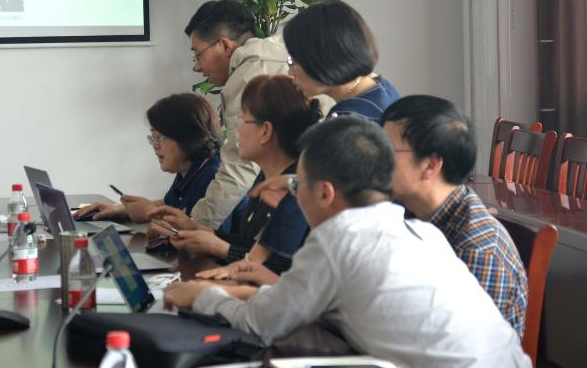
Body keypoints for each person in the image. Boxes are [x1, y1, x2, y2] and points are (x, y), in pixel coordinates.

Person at [164, 116, 531, 368]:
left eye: (297, 185)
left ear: (324, 193)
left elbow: (261, 324)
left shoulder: (336, 241)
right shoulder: (420, 232)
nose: (292, 194)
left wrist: (202, 297)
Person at [382, 95, 529, 335]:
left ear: (430, 165)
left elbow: (472, 345)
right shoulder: (414, 216)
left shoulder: (477, 250)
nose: (375, 158)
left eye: (387, 149)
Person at [149, 75, 319, 276]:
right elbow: (249, 245)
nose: (236, 128)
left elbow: (282, 271)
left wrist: (221, 248)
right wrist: (197, 229)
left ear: (265, 132)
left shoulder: (291, 188)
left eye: (242, 120)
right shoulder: (264, 178)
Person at [182, 0, 291, 230]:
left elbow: (239, 166)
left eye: (198, 55)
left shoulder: (247, 77)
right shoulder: (273, 52)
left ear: (224, 46)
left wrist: (193, 227)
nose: (197, 67)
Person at [75, 93, 223, 222]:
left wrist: (151, 214)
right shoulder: (187, 169)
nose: (155, 146)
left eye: (160, 137)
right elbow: (169, 205)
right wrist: (118, 209)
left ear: (187, 138)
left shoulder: (213, 177)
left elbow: (205, 234)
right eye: (153, 137)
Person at [283, 0, 399, 120]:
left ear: (321, 57)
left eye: (293, 61)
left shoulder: (349, 122)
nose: (290, 72)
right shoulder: (381, 87)